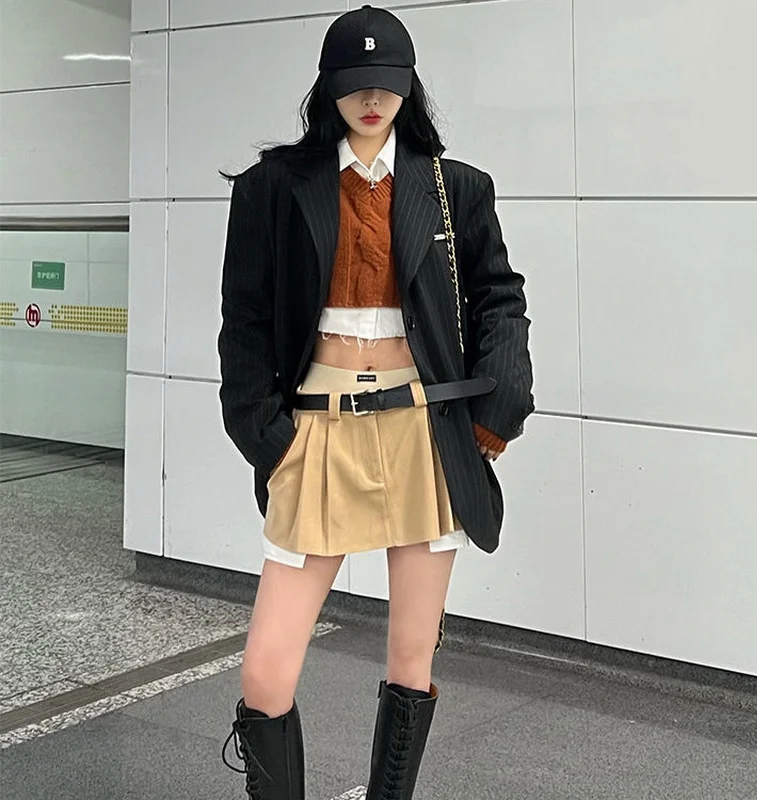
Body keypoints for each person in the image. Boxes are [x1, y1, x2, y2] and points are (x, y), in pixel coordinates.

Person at [218, 5, 534, 798]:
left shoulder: (455, 187)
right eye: (355, 83)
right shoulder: (272, 188)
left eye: (386, 83)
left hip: (423, 432)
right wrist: (268, 437)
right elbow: (244, 321)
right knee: (265, 670)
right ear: (327, 87)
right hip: (315, 434)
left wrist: (500, 405)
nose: (371, 99)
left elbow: (500, 299)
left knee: (411, 656)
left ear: (409, 86)